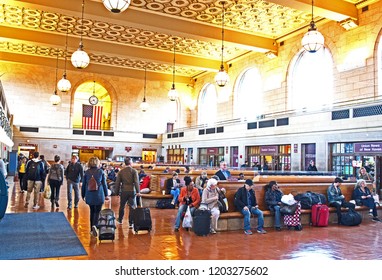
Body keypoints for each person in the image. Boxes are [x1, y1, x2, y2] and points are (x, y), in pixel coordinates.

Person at [81, 156, 110, 237]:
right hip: (99, 195)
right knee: (98, 211)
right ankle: (95, 225)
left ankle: (91, 229)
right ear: (97, 163)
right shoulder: (100, 172)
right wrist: (106, 195)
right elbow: (104, 184)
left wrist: (83, 195)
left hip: (89, 195)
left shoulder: (87, 172)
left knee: (92, 211)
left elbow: (84, 185)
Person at [114, 157, 140, 228]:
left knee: (122, 206)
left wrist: (116, 193)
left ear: (125, 163)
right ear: (130, 163)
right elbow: (136, 182)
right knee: (132, 207)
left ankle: (120, 220)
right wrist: (138, 191)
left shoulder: (121, 172)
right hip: (132, 190)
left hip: (124, 190)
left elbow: (118, 183)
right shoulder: (134, 171)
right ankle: (130, 223)